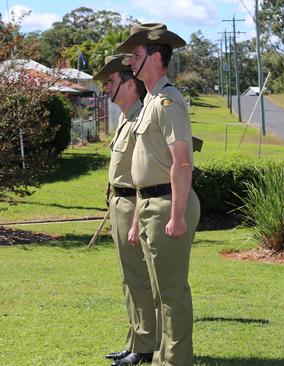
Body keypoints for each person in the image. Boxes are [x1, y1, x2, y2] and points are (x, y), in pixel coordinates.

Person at [116, 23, 201, 366]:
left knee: (171, 294)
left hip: (168, 203)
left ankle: (176, 360)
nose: (131, 62)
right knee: (159, 294)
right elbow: (145, 169)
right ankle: (164, 357)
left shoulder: (167, 101)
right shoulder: (151, 99)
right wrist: (139, 216)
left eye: (136, 55)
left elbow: (181, 163)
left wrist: (178, 215)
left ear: (155, 56)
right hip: (152, 202)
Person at [93, 54, 155, 366]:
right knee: (128, 279)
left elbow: (144, 173)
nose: (106, 88)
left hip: (133, 203)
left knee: (139, 278)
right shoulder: (125, 117)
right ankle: (134, 339)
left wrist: (133, 219)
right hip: (119, 202)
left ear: (129, 84)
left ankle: (144, 346)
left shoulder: (142, 118)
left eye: (111, 82)